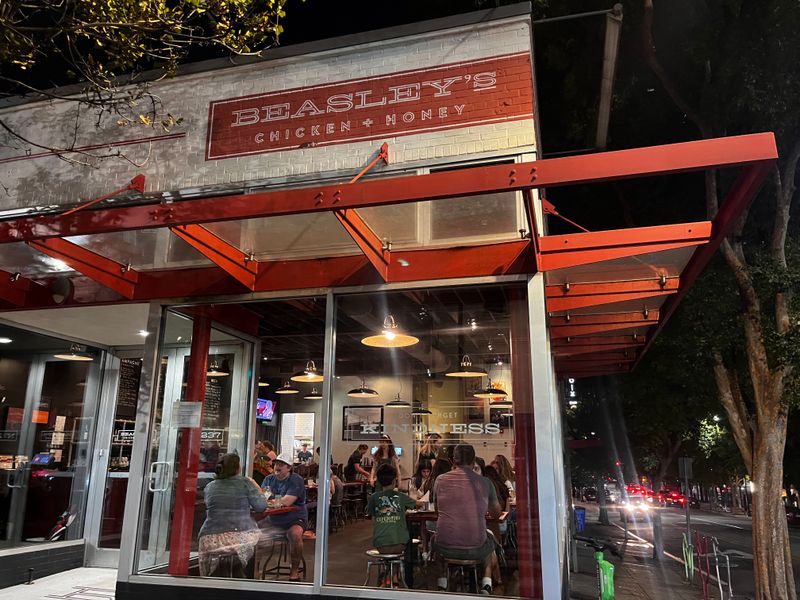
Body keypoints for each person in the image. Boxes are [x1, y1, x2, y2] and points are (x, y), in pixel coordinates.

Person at [434, 444, 501, 595]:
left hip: (446, 548)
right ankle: (486, 583)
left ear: (453, 461)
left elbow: (438, 510)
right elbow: (496, 513)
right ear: (473, 460)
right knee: (489, 539)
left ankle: (442, 582)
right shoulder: (485, 482)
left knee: (435, 538)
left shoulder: (440, 480)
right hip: (475, 548)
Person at [198, 453, 266, 577]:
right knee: (260, 538)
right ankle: (249, 577)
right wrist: (256, 487)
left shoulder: (209, 486)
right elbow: (261, 506)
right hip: (237, 538)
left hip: (209, 539)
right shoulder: (245, 482)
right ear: (237, 468)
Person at [260, 452, 308, 581]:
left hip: (294, 519)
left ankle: (294, 571)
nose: (277, 466)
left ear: (289, 468)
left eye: (281, 464)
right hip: (273, 519)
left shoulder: (295, 479)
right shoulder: (268, 479)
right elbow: (260, 499)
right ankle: (253, 571)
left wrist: (270, 501)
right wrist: (274, 502)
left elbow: (287, 502)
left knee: (295, 534)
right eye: (276, 463)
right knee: (252, 531)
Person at [366, 464, 422, 563]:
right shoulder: (401, 496)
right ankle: (399, 572)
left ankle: (388, 573)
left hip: (380, 544)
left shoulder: (373, 497)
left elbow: (371, 515)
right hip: (399, 544)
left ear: (378, 481)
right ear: (394, 481)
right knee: (408, 539)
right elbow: (418, 504)